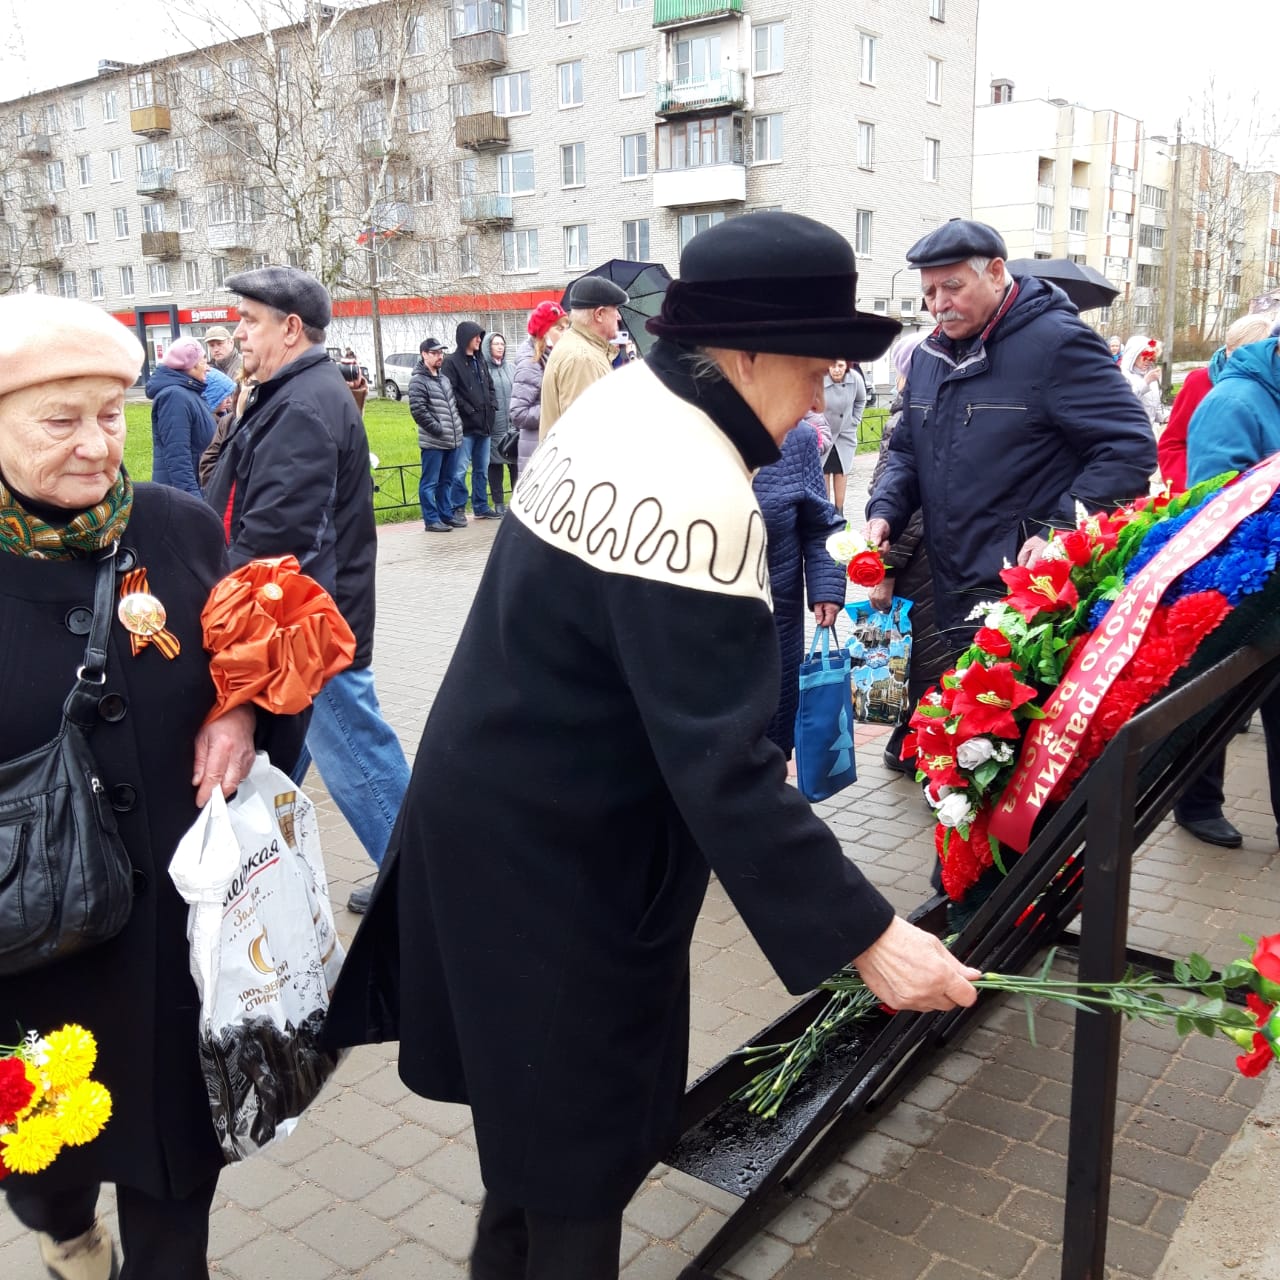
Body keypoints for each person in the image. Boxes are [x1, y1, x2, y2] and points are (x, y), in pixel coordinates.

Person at [324, 211, 980, 1280]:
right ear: (746, 355)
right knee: (580, 1165)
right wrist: (871, 936)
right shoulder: (694, 481)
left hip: (492, 823)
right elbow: (722, 764)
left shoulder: (625, 399)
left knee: (531, 1146)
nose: (823, 393)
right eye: (816, 365)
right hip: (564, 873)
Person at [0, 295, 303, 1280]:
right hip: (27, 947)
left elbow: (263, 650)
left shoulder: (176, 525)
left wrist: (242, 709)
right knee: (44, 1159)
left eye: (110, 413)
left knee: (176, 1173)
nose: (96, 446)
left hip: (175, 938)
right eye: (60, 420)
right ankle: (64, 1231)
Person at [203, 266, 411, 917]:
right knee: (282, 763)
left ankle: (423, 888)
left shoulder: (301, 405)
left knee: (360, 761)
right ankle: (256, 881)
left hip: (308, 635)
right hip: (307, 626)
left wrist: (226, 635)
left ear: (291, 328)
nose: (239, 333)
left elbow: (273, 544)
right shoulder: (292, 393)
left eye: (249, 320)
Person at [866, 219, 1155, 653]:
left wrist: (1057, 532)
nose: (939, 305)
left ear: (996, 272)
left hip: (1030, 597)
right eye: (929, 293)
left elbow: (1128, 448)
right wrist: (885, 510)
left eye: (952, 287)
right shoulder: (928, 356)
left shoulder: (1058, 344)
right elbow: (907, 452)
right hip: (950, 590)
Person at [1175, 331, 1280, 849]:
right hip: (1245, 587)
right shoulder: (1233, 401)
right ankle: (1197, 804)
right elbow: (1218, 505)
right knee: (1214, 700)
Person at [869, 329, 953, 774]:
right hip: (914, 559)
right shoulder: (907, 423)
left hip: (929, 557)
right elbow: (894, 503)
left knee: (925, 656)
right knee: (920, 661)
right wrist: (886, 571)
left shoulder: (924, 414)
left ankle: (912, 743)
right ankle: (909, 747)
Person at [752, 418, 846, 764]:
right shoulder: (680, 429)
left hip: (776, 621)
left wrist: (826, 588)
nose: (818, 404)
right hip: (694, 627)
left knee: (771, 736)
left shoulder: (798, 439)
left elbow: (822, 526)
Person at [1158, 315, 1272, 492]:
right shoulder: (1200, 381)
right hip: (1202, 492)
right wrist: (1191, 490)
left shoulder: (1270, 387)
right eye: (1232, 352)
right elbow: (1172, 444)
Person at [539, 276, 628, 437]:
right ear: (599, 314)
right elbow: (585, 435)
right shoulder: (582, 358)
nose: (619, 316)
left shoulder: (584, 349)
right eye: (615, 309)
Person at [442, 322, 500, 522]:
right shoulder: (451, 363)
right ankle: (457, 507)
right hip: (466, 427)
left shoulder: (479, 360)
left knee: (481, 470)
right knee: (459, 470)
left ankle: (481, 505)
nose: (479, 340)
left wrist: (493, 405)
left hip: (484, 425)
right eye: (476, 336)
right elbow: (451, 391)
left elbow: (490, 386)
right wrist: (469, 410)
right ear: (465, 337)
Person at [146, 337, 216, 499]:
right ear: (191, 365)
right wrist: (193, 501)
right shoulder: (174, 396)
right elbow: (177, 456)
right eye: (203, 362)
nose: (208, 368)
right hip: (183, 495)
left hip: (198, 487)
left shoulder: (189, 392)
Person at [410, 336, 465, 533]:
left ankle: (445, 514)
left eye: (441, 352)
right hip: (433, 442)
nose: (439, 356)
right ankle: (431, 520)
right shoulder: (418, 381)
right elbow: (418, 410)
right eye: (434, 353)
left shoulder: (443, 378)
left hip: (452, 439)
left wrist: (456, 427)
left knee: (447, 481)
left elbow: (452, 406)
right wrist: (438, 429)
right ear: (424, 354)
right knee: (429, 483)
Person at [511, 302, 569, 472]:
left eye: (567, 328)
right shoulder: (531, 362)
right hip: (537, 449)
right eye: (559, 329)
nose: (565, 334)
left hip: (548, 445)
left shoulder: (552, 356)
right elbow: (518, 413)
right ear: (544, 331)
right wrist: (557, 407)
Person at [821, 358, 867, 515]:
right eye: (832, 366)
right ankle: (826, 514)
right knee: (824, 471)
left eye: (840, 366)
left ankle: (840, 513)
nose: (836, 370)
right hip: (825, 434)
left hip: (844, 435)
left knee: (841, 470)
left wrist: (854, 421)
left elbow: (861, 400)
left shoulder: (855, 378)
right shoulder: (820, 378)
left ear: (846, 366)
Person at [483, 332, 515, 512]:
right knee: (495, 465)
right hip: (494, 425)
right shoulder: (484, 370)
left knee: (515, 463)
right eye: (496, 344)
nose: (500, 347)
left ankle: (517, 501)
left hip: (513, 424)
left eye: (502, 344)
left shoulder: (511, 368)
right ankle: (499, 502)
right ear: (488, 347)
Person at [1120, 335, 1165, 429]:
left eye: (1151, 357)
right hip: (1128, 430)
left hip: (1148, 431)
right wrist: (1145, 382)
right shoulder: (1121, 375)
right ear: (1133, 355)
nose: (1148, 360)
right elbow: (1124, 403)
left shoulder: (1151, 374)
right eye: (1145, 356)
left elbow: (1154, 407)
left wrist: (1166, 417)